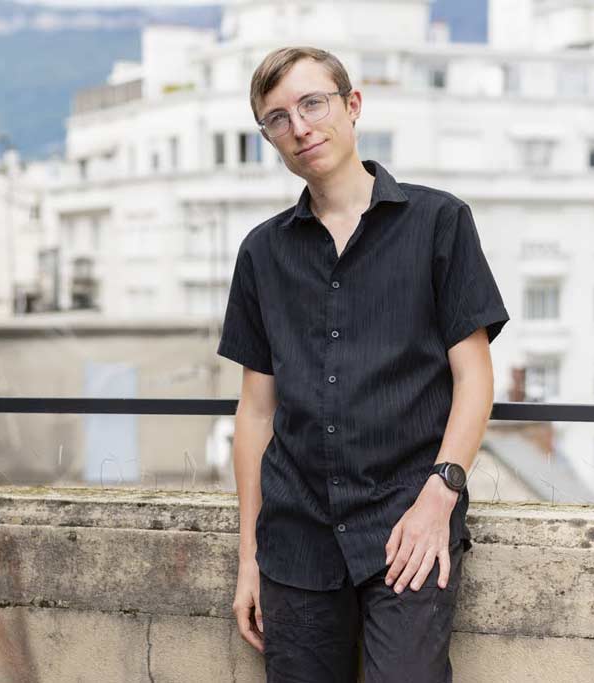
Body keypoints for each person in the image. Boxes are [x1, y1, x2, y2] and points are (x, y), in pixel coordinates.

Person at [217, 46, 510, 682]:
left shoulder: (440, 222)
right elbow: (256, 412)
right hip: (295, 539)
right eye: (277, 117)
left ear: (352, 106)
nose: (299, 126)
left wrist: (442, 493)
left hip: (409, 522)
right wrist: (248, 559)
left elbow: (474, 378)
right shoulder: (261, 253)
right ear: (269, 137)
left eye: (312, 103)